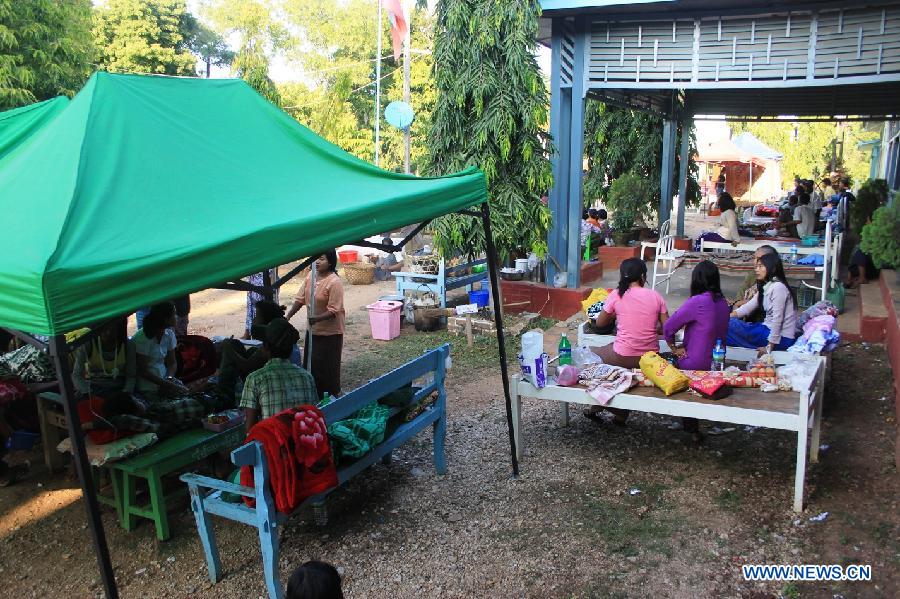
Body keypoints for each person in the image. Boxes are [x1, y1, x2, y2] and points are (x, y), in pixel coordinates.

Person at [585, 258, 668, 425]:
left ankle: (615, 409)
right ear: (643, 276)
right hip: (650, 358)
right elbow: (667, 328)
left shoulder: (616, 295)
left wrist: (616, 314)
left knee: (590, 355)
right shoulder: (655, 296)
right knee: (610, 353)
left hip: (623, 355)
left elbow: (600, 324)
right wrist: (653, 326)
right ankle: (603, 409)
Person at [663, 261, 730, 441]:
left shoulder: (698, 301)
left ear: (696, 280)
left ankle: (689, 426)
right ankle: (697, 423)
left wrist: (673, 348)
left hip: (696, 362)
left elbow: (669, 327)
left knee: (667, 363)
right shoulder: (724, 303)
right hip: (717, 362)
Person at [285, 250, 345, 397]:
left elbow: (334, 310)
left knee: (328, 366)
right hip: (313, 330)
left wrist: (317, 318)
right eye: (315, 259)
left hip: (331, 332)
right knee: (312, 363)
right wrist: (288, 316)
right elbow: (300, 299)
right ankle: (314, 393)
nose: (317, 262)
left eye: (321, 259)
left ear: (330, 262)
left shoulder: (334, 282)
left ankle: (332, 395)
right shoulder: (310, 276)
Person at [240, 318, 318, 429]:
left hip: (274, 444)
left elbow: (250, 429)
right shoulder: (307, 377)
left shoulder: (255, 379)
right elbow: (313, 414)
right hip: (304, 442)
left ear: (266, 347)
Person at [217, 300, 299, 403]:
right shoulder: (284, 335)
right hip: (284, 376)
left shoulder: (276, 344)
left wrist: (228, 347)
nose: (254, 319)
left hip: (277, 381)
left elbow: (246, 366)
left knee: (232, 345)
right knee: (247, 349)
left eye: (257, 316)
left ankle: (224, 396)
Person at [727, 253, 797, 354]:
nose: (757, 270)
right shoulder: (766, 286)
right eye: (756, 267)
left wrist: (769, 347)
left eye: (761, 266)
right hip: (766, 330)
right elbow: (746, 308)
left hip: (781, 338)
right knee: (723, 325)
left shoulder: (778, 287)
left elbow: (778, 320)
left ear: (772, 268)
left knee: (726, 327)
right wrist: (726, 317)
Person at [132, 302, 188, 399]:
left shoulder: (169, 334)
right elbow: (143, 371)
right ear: (165, 319)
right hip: (147, 388)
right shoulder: (142, 338)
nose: (176, 316)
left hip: (165, 381)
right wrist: (168, 385)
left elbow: (172, 363)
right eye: (174, 314)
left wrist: (169, 378)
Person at [73, 317, 136, 398]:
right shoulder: (88, 344)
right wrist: (87, 393)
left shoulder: (128, 345)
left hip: (119, 390)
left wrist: (126, 393)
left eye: (112, 330)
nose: (108, 333)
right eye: (105, 329)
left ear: (119, 329)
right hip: (93, 389)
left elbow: (131, 375)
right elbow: (77, 375)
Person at [244, 269, 279, 339]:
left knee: (263, 311)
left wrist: (272, 284)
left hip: (265, 281)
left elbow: (274, 271)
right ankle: (248, 331)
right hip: (254, 278)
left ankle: (263, 335)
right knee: (251, 308)